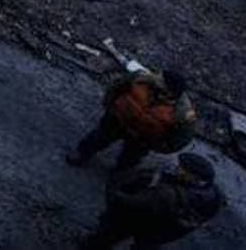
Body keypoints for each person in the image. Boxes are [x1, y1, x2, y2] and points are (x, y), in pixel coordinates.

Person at [80, 155, 225, 249]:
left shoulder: (166, 194)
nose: (176, 168)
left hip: (141, 220)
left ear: (191, 177)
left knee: (109, 234)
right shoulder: (214, 195)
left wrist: (113, 191)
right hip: (166, 231)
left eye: (181, 168)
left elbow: (129, 204)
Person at [69, 67, 198, 171]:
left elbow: (182, 137)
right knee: (98, 138)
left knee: (130, 159)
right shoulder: (140, 79)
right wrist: (109, 107)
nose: (156, 76)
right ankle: (82, 154)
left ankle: (120, 175)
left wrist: (157, 146)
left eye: (161, 78)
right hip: (118, 120)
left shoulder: (182, 113)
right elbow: (117, 86)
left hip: (142, 138)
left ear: (169, 91)